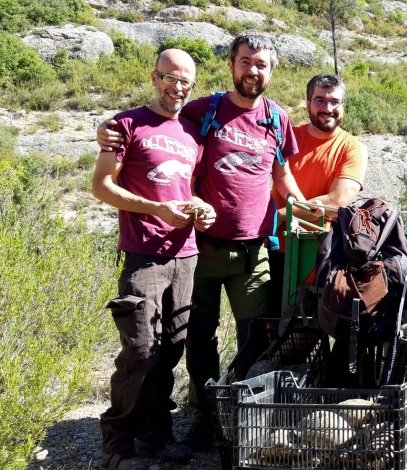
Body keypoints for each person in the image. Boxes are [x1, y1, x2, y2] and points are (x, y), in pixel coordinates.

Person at [97, 31, 316, 452]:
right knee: (197, 339)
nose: (253, 70)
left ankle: (246, 415)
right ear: (232, 64)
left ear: (272, 71)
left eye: (262, 64)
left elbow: (282, 176)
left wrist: (310, 211)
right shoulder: (204, 109)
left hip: (252, 250)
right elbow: (153, 122)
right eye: (246, 61)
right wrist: (106, 130)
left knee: (255, 335)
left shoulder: (277, 118)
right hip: (200, 249)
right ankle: (203, 415)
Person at [92, 49, 216, 470]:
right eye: (169, 78)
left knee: (169, 352)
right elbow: (103, 187)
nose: (177, 88)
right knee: (139, 351)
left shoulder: (191, 133)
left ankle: (157, 438)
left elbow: (185, 189)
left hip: (186, 255)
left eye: (185, 82)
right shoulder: (125, 124)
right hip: (144, 255)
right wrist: (156, 210)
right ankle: (117, 447)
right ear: (154, 77)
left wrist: (201, 208)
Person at [267, 72, 367, 318]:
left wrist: (281, 215)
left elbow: (338, 198)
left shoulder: (352, 148)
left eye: (334, 102)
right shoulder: (287, 139)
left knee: (309, 327)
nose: (328, 108)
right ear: (308, 102)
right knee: (265, 323)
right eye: (320, 100)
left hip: (319, 254)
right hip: (274, 248)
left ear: (343, 106)